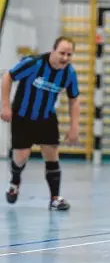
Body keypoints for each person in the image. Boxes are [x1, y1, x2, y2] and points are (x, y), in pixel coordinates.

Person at [1, 36, 80, 210]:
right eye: (62, 53)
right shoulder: (34, 63)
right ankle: (15, 182)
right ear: (53, 50)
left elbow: (74, 99)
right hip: (22, 117)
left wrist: (74, 127)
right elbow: (8, 76)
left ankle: (55, 198)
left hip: (46, 118)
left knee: (52, 156)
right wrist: (5, 106)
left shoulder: (69, 73)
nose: (65, 58)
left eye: (69, 54)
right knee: (21, 158)